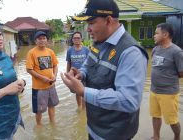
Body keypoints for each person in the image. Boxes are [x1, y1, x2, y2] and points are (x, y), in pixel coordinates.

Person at [61, 0, 149, 139]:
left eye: (91, 23)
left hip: (114, 134)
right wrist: (81, 75)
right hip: (94, 127)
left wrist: (83, 91)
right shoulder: (97, 41)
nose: (87, 29)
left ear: (108, 20)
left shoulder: (131, 52)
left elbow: (129, 101)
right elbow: (87, 65)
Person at [150, 23, 183, 140]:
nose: (154, 36)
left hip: (169, 93)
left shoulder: (176, 52)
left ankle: (177, 137)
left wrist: (167, 79)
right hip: (154, 90)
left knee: (172, 120)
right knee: (155, 116)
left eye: (156, 33)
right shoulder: (155, 49)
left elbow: (181, 72)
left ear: (165, 34)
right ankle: (156, 136)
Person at [26, 31, 59, 127]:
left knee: (52, 105)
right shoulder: (31, 52)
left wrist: (55, 76)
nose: (42, 40)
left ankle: (52, 123)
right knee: (39, 110)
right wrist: (42, 78)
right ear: (36, 41)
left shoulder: (50, 51)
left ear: (47, 40)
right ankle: (39, 126)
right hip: (38, 88)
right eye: (39, 38)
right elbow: (29, 69)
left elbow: (55, 65)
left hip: (51, 85)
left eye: (44, 38)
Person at [66, 31, 89, 110]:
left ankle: (83, 109)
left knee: (84, 92)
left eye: (78, 38)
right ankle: (79, 107)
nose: (76, 39)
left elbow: (89, 63)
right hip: (74, 75)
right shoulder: (70, 50)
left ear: (81, 39)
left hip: (85, 75)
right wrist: (68, 75)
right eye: (74, 38)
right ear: (72, 40)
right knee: (77, 92)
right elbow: (69, 63)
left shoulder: (86, 50)